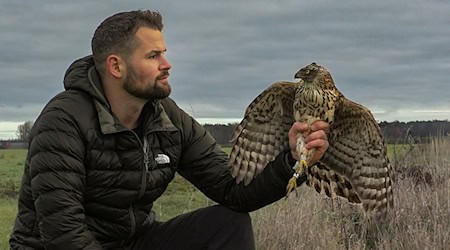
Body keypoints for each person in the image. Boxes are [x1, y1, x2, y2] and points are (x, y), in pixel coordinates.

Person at [10, 10, 329, 249]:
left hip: (133, 242)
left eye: (163, 53)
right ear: (116, 66)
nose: (167, 64)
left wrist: (293, 162)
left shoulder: (168, 119)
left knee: (228, 223)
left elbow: (233, 190)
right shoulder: (64, 120)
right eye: (153, 55)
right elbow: (64, 235)